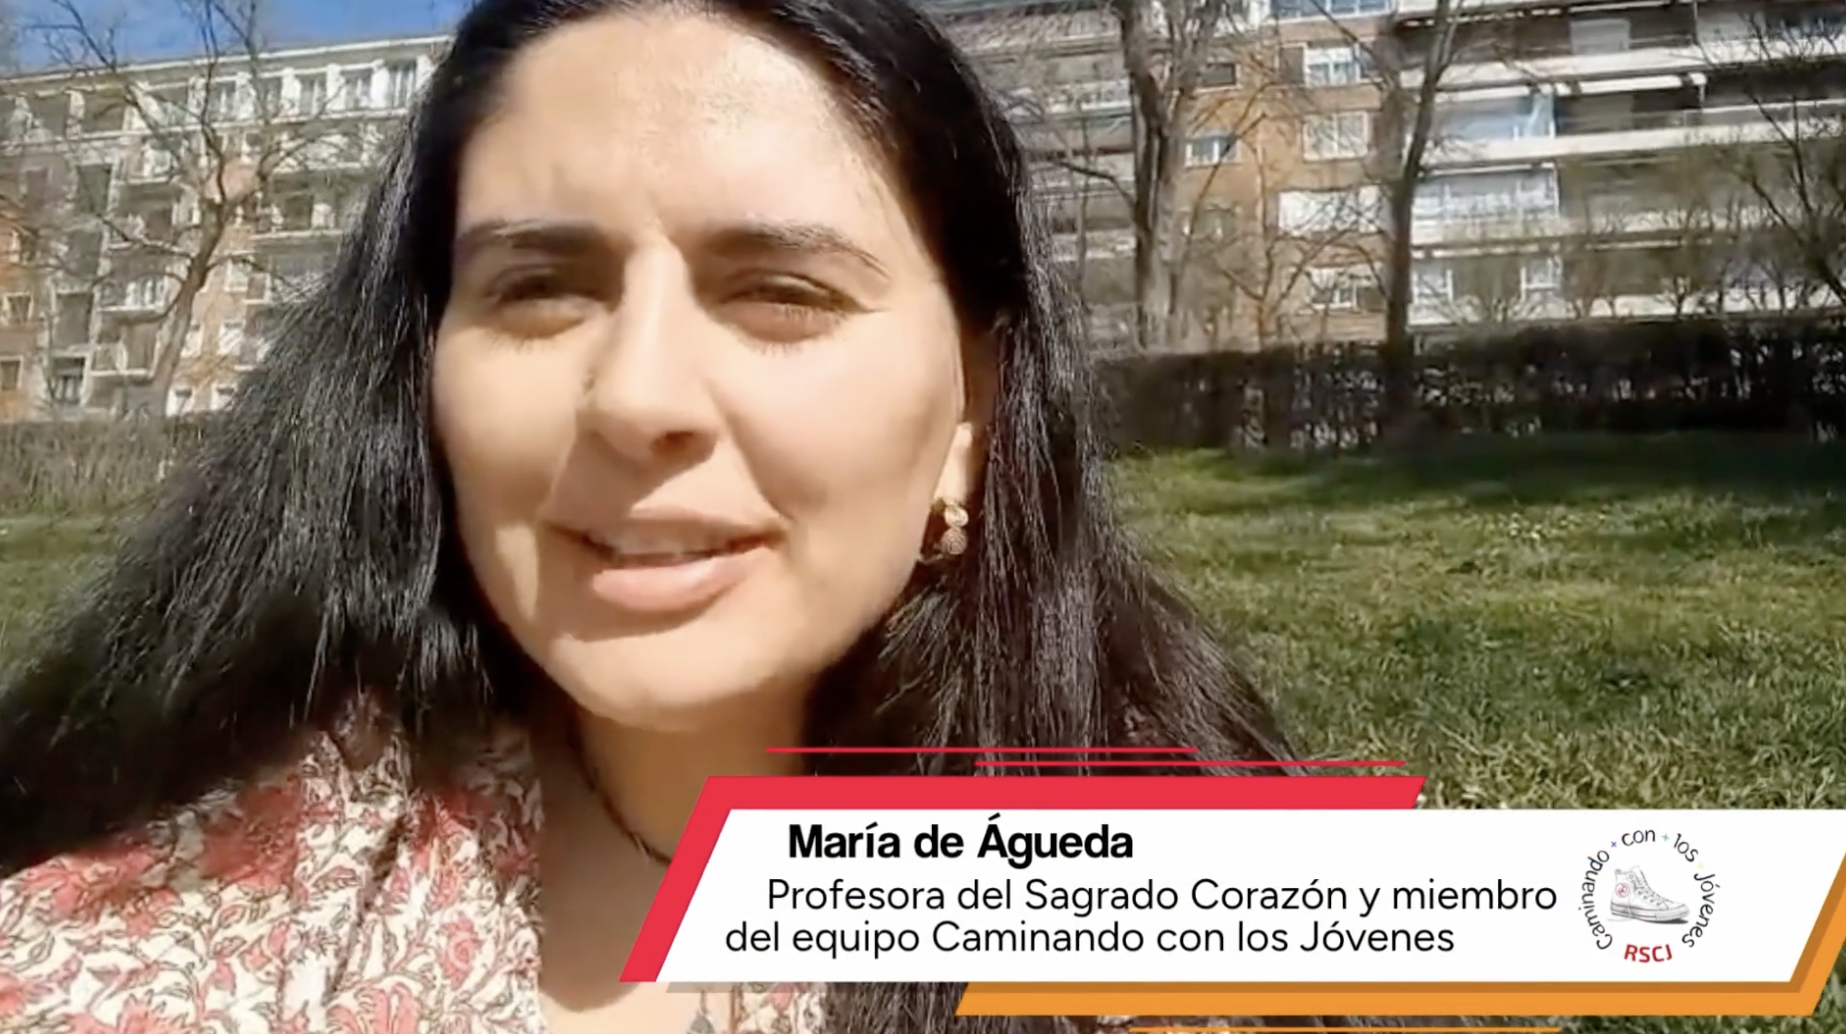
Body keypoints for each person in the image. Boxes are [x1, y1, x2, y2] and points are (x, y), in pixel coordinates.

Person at [0, 0, 1306, 1030]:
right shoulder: (178, 916)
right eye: (540, 288)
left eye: (780, 291)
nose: (636, 399)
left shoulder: (1217, 902)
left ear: (971, 412)